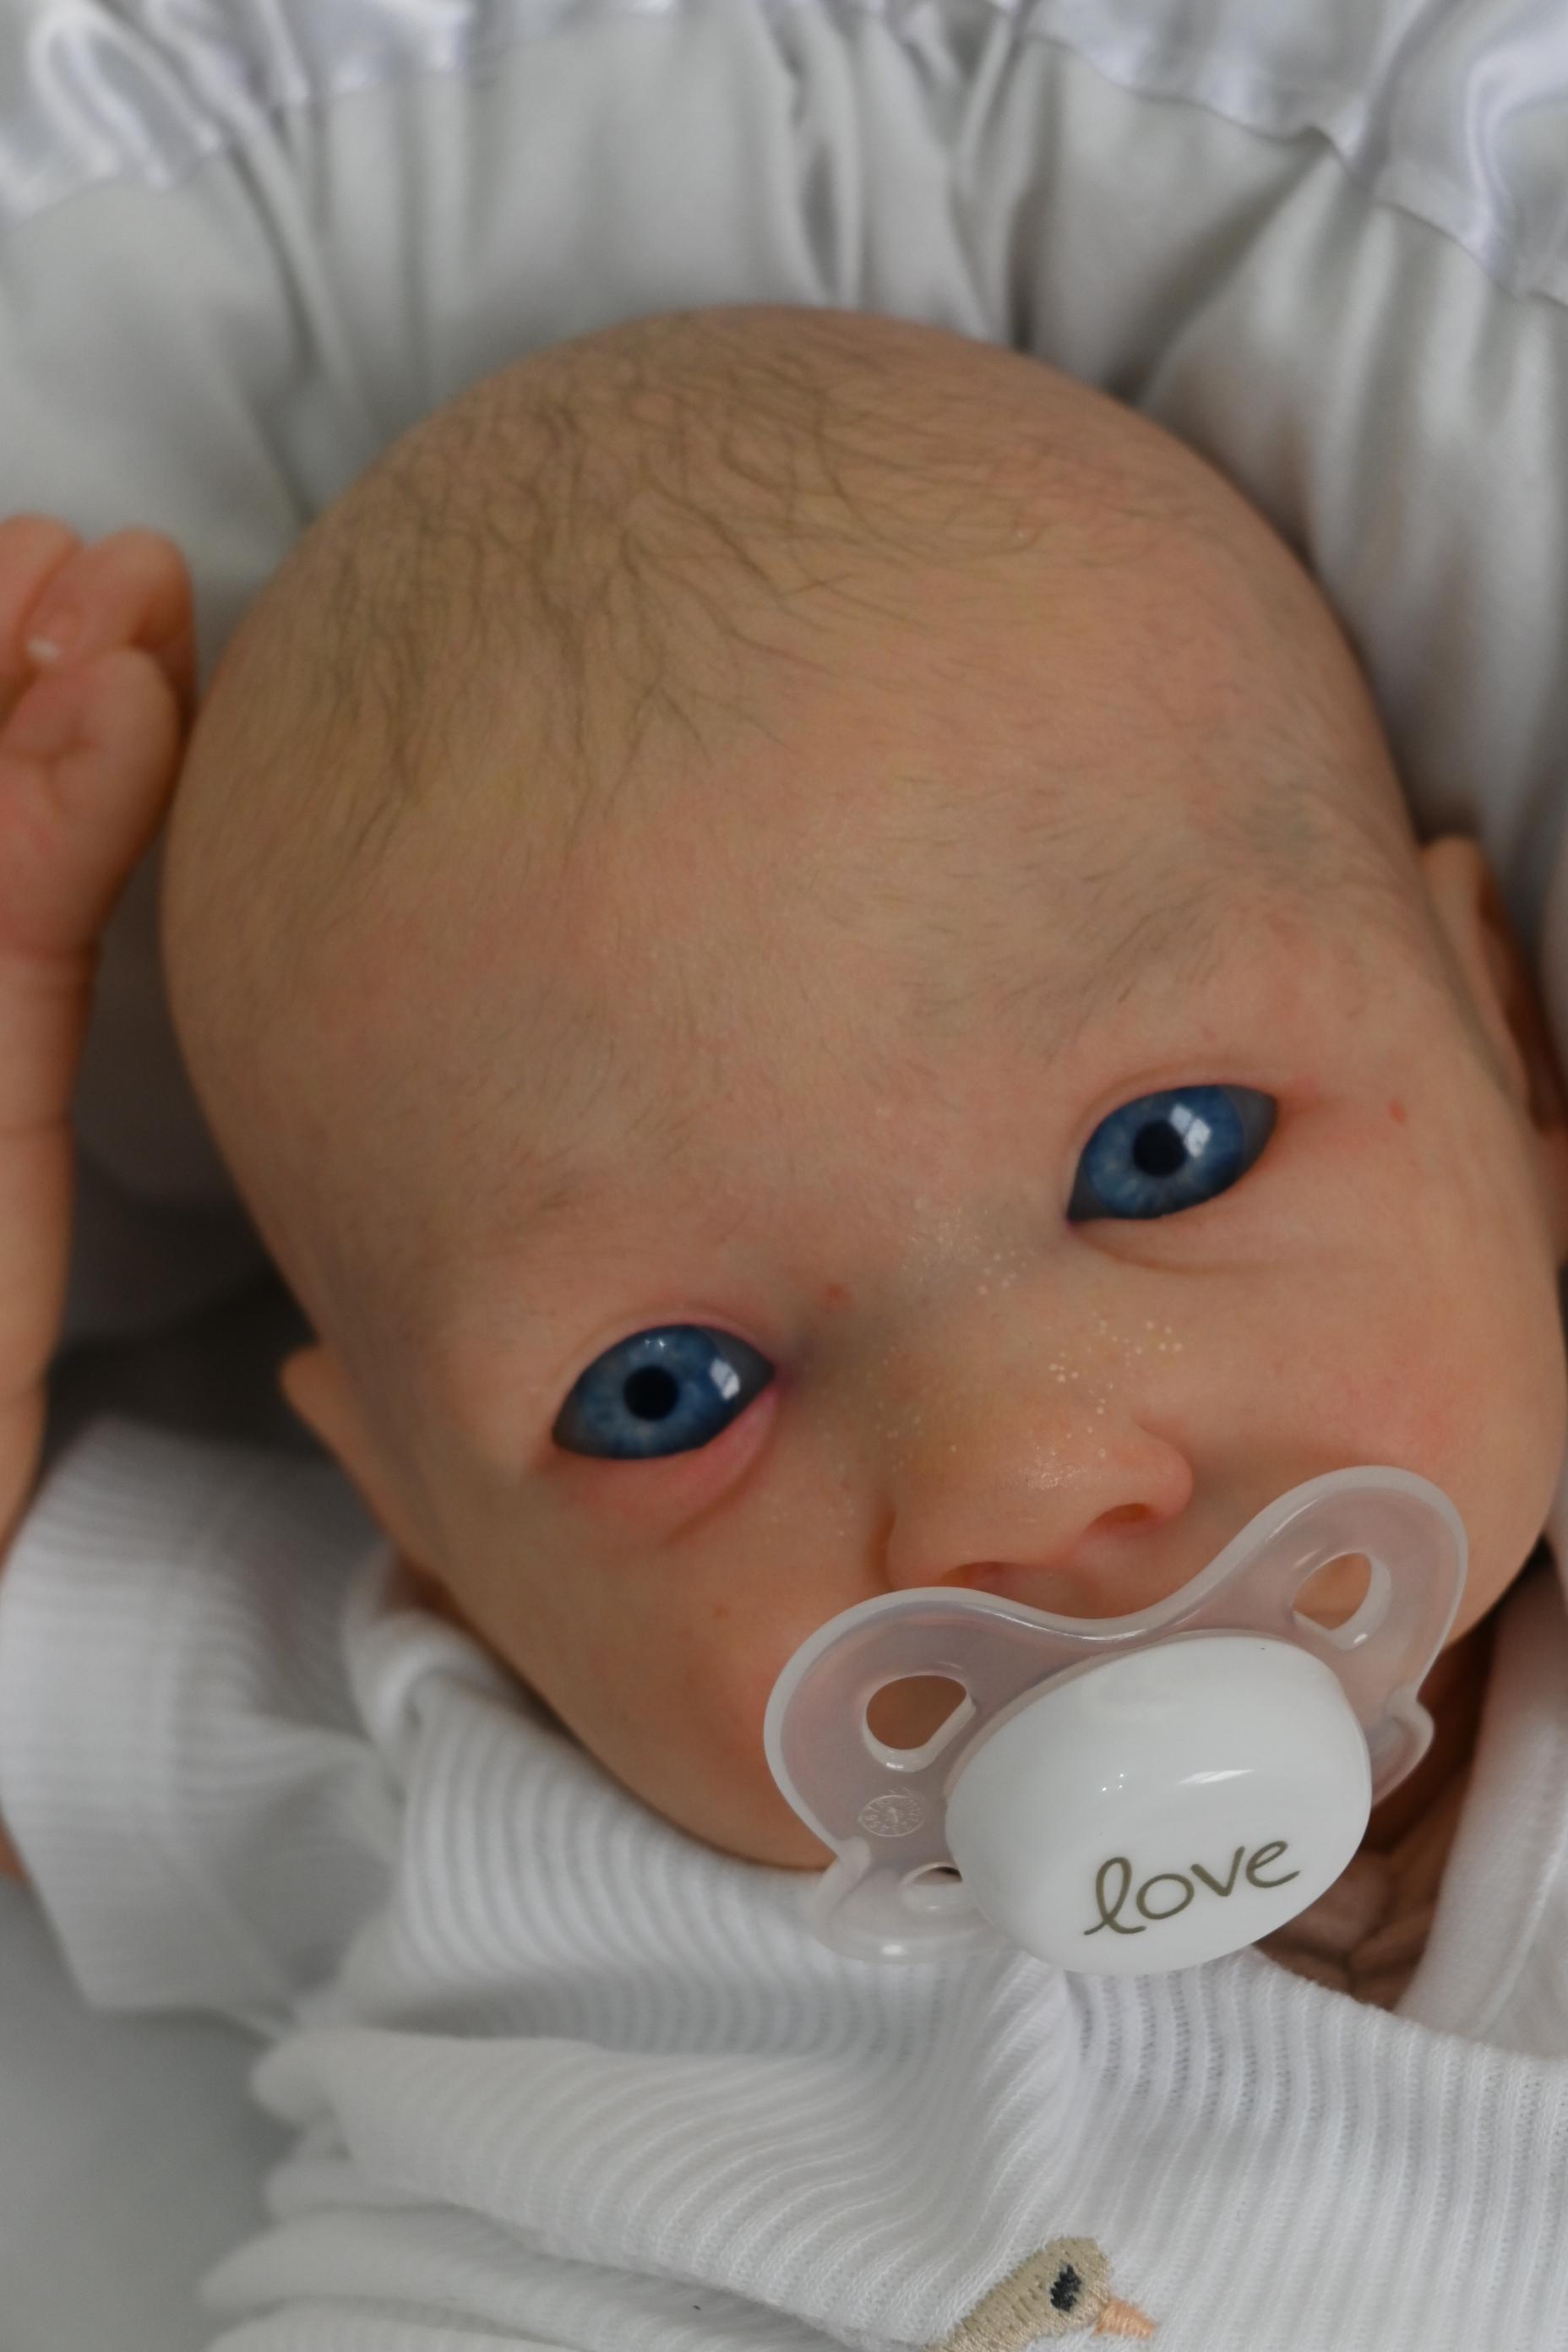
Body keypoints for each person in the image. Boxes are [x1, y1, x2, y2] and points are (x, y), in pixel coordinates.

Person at [3, 305, 1567, 2350]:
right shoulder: (452, 1732)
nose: (1016, 1474)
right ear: (426, 1522)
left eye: (1166, 1155)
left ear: (1509, 1053)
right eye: (671, 1392)